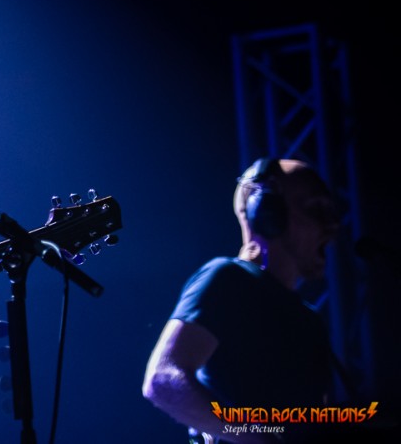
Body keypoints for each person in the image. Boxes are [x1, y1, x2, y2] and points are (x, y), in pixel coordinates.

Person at [143, 157, 345, 443]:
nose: (330, 226)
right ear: (269, 214)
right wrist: (256, 438)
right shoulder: (228, 279)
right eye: (315, 209)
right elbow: (163, 380)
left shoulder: (310, 321)